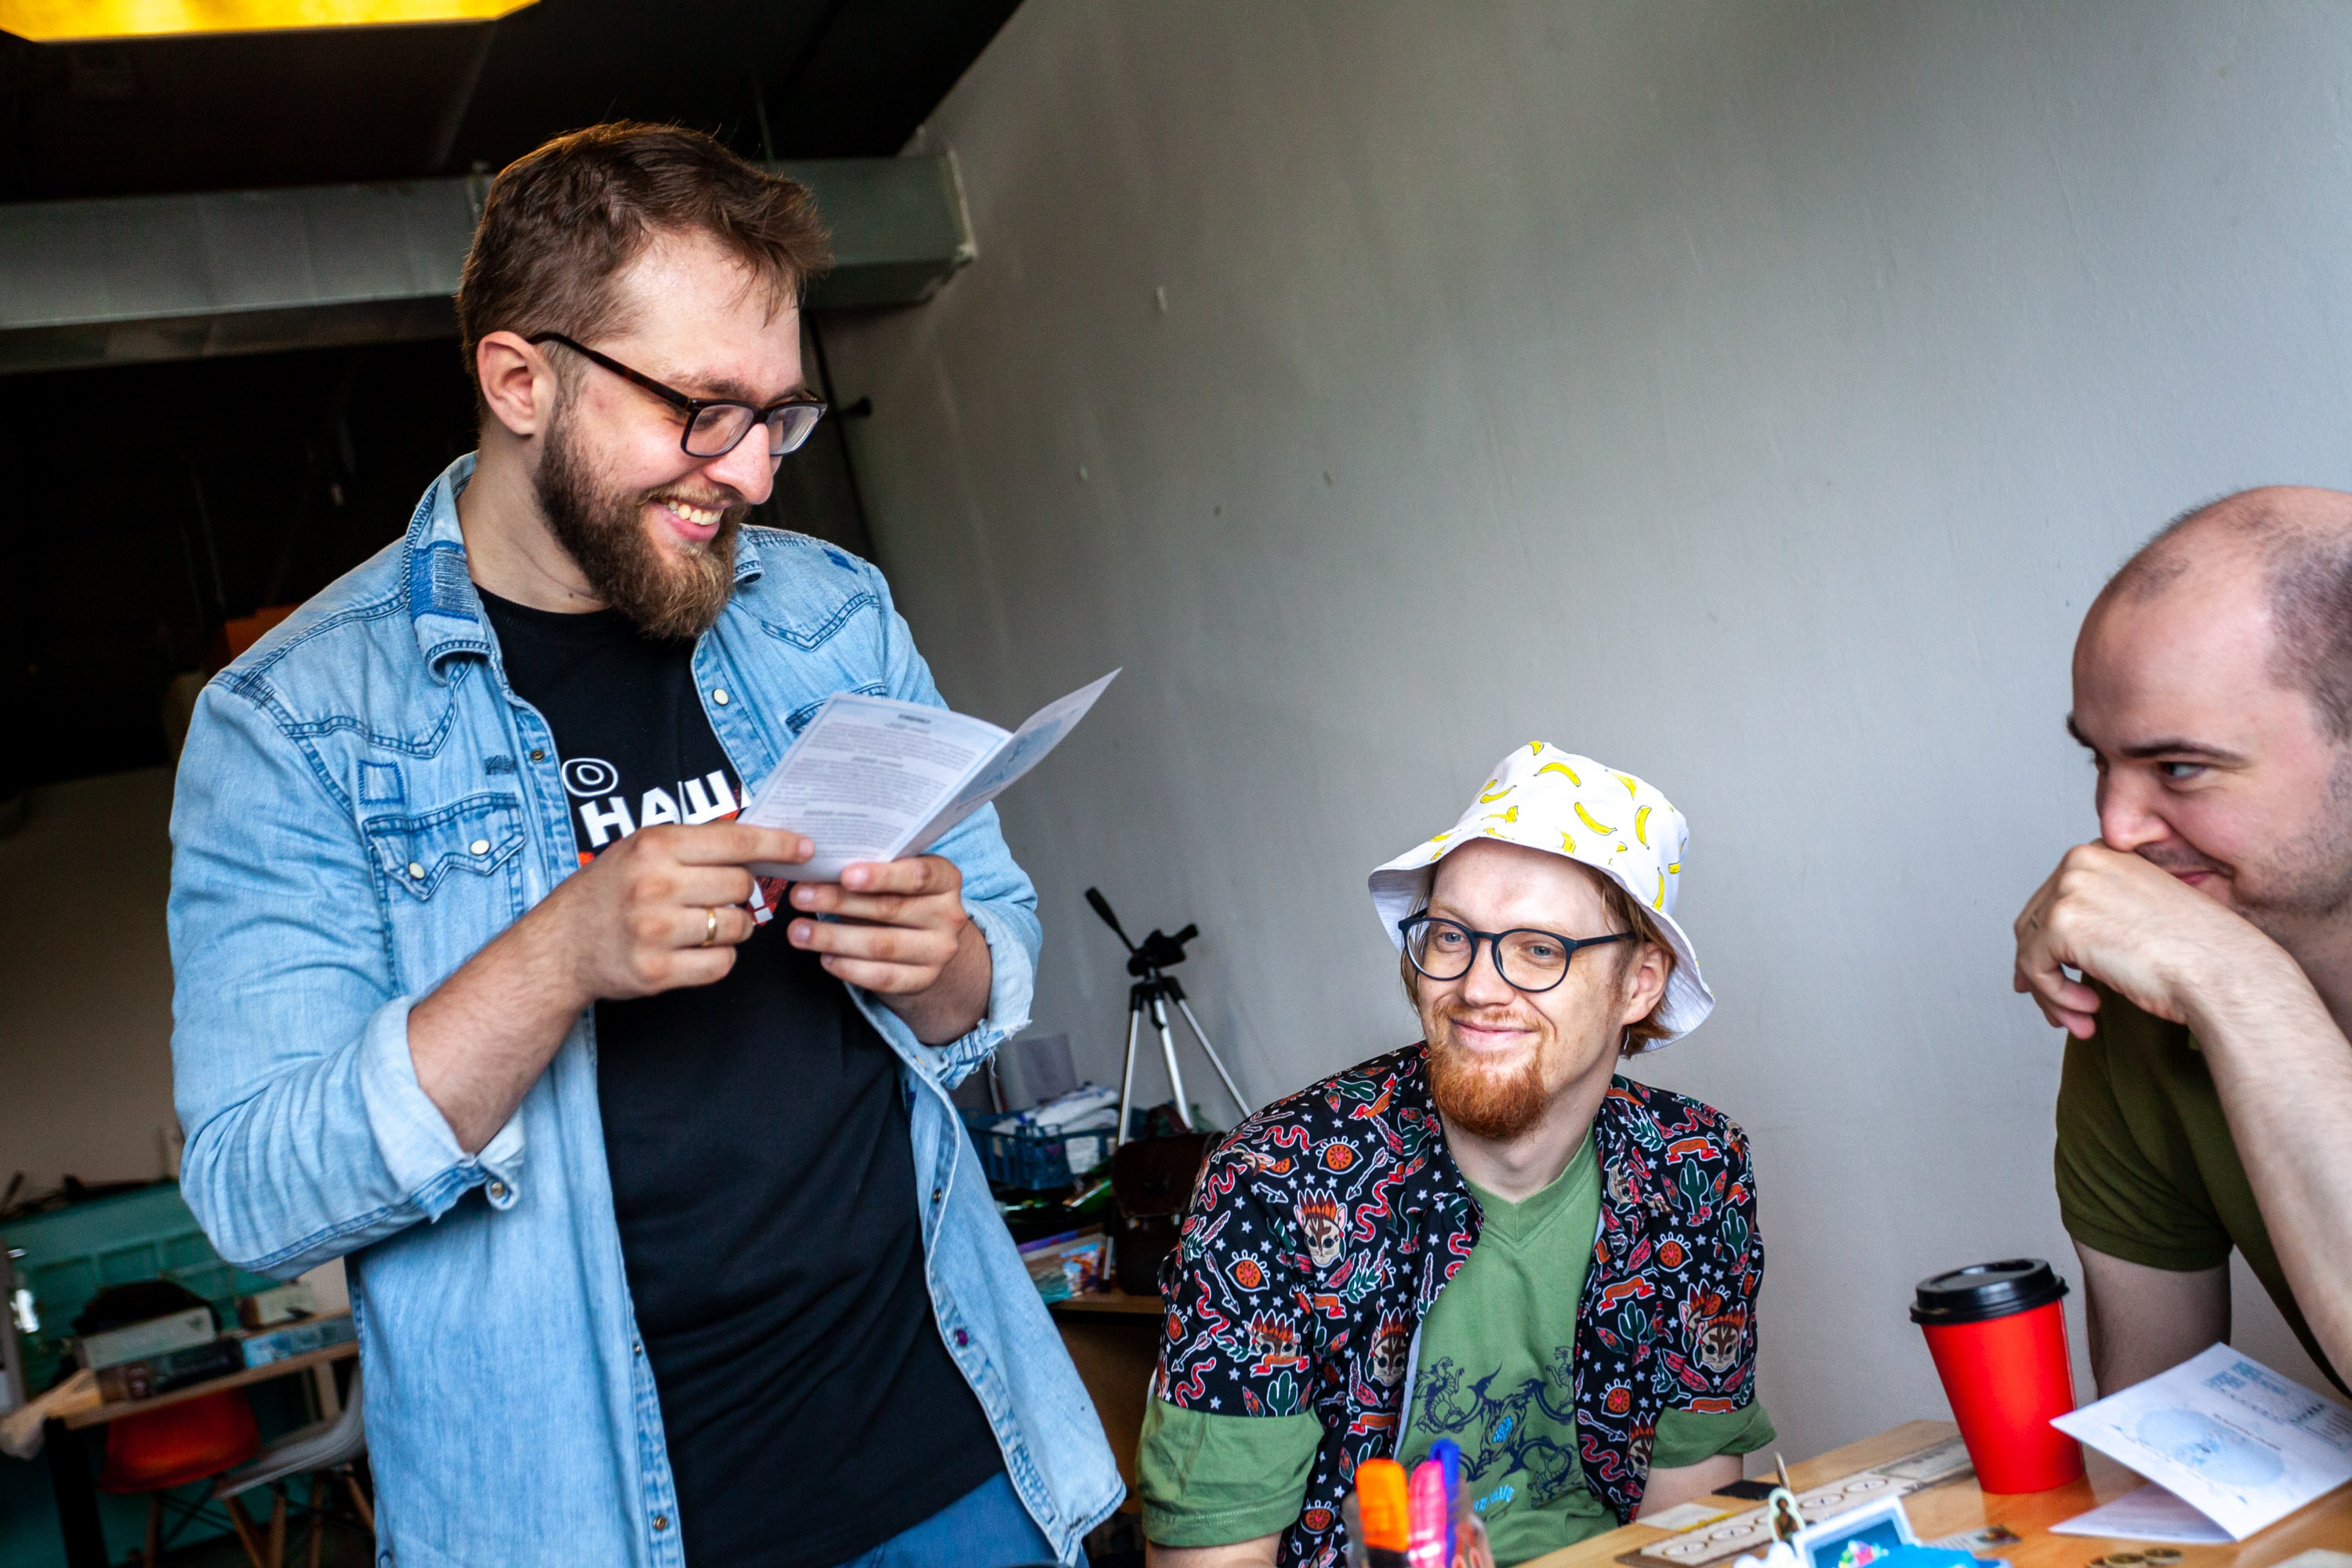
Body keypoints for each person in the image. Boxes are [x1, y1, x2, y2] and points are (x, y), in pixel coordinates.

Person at [168, 123, 1119, 1568]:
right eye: (704, 410)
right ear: (519, 380)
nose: (753, 475)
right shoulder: (292, 726)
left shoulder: (828, 613)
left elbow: (989, 954)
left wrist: (944, 959)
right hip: (590, 1527)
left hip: (963, 1464)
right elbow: (259, 1190)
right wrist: (557, 956)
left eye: (780, 417)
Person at [1138, 744, 1771, 1568]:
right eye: (1450, 936)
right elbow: (1212, 1559)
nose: (1477, 986)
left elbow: (1689, 1532)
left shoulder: (1696, 1171)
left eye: (1539, 948)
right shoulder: (1273, 1183)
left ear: (1639, 982)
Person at [2016, 485, 2352, 1397]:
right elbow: (2159, 1430)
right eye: (2100, 759)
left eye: (2180, 767)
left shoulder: (2199, 962)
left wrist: (2239, 984)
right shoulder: (2148, 994)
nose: (2114, 829)